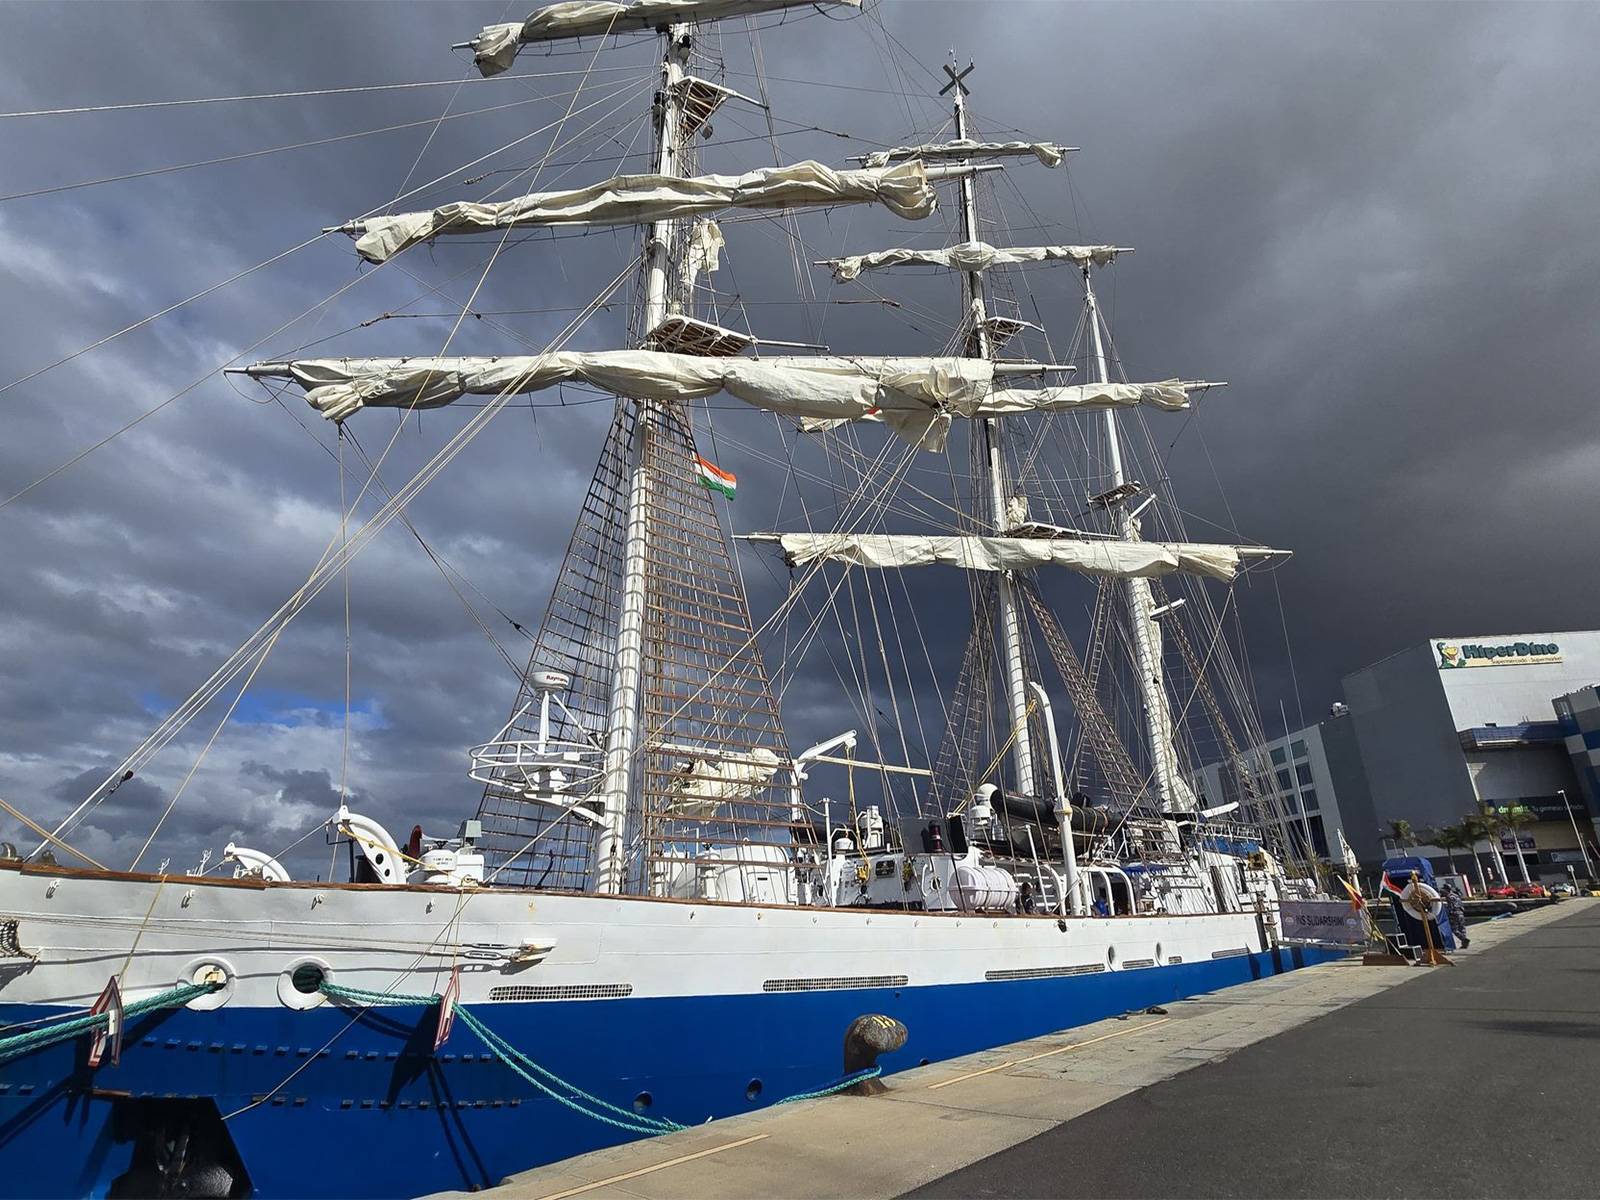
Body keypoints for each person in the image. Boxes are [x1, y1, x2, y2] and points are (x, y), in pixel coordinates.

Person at [1444, 883, 1470, 948]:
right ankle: (1464, 944)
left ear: (1446, 890)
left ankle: (1464, 939)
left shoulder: (1449, 896)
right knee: (1462, 928)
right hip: (1460, 913)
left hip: (1454, 914)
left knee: (1454, 929)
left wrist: (1447, 914)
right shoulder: (1456, 895)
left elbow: (1451, 907)